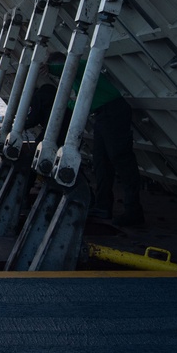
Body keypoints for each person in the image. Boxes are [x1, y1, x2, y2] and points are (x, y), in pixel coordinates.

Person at [46, 53, 143, 227]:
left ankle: (134, 211)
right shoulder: (77, 75)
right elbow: (82, 102)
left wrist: (44, 66)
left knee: (122, 161)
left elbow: (66, 68)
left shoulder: (81, 66)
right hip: (102, 116)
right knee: (101, 162)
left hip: (113, 112)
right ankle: (103, 206)